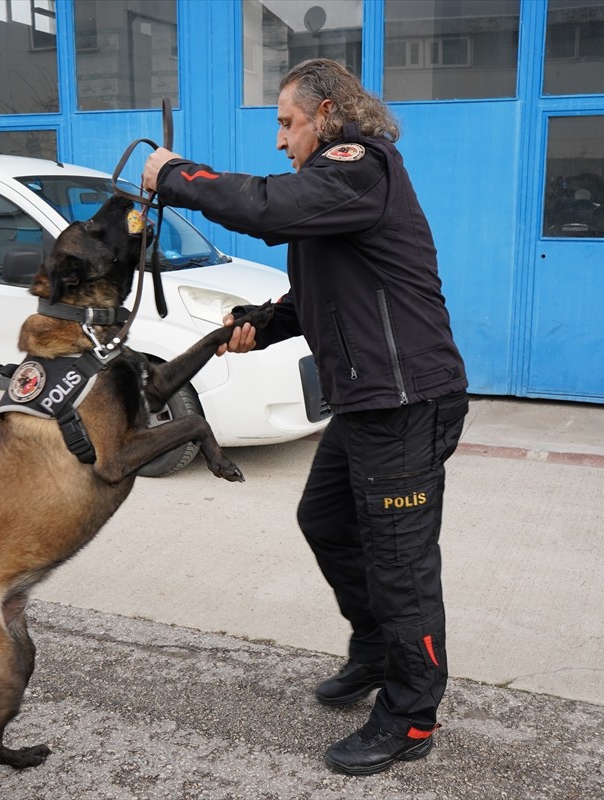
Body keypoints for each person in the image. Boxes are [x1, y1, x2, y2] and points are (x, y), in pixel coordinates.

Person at [141, 58, 468, 776]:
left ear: (326, 115)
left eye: (287, 123)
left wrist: (176, 175)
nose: (281, 139)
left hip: (405, 405)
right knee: (325, 520)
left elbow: (266, 207)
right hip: (368, 402)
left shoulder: (360, 166)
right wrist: (261, 322)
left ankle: (411, 717)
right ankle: (376, 650)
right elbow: (321, 294)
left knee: (401, 566)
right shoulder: (337, 192)